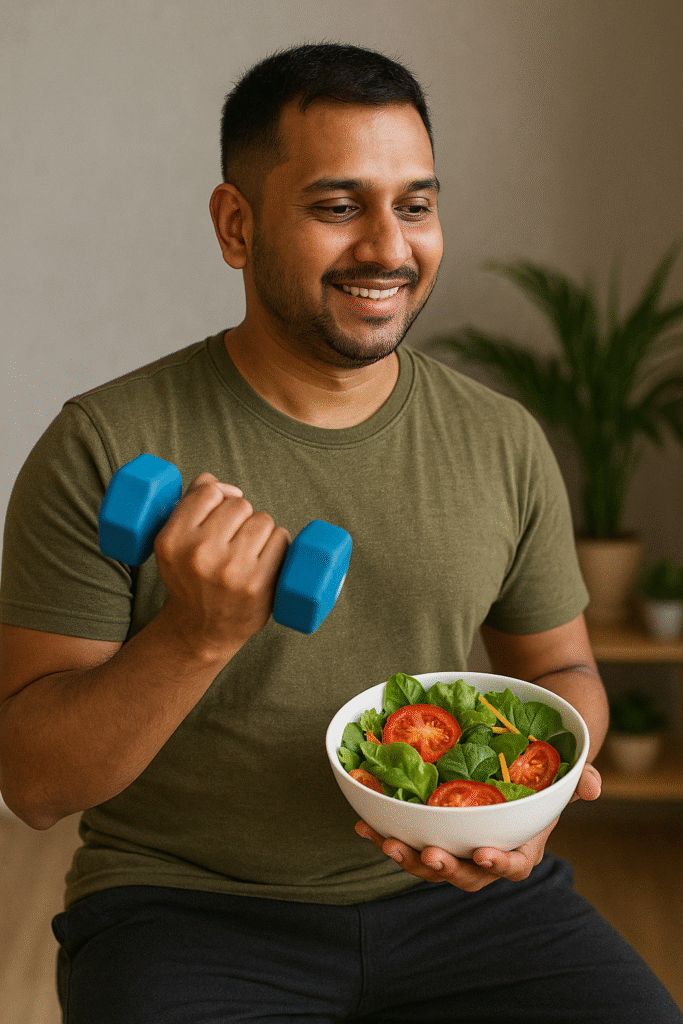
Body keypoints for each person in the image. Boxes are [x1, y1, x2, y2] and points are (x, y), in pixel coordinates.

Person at [0, 42, 679, 1024]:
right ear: (236, 226)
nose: (386, 247)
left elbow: (565, 678)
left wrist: (526, 813)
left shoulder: (499, 439)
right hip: (187, 908)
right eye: (335, 205)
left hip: (465, 903)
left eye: (414, 203)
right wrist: (196, 634)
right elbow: (33, 783)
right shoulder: (101, 444)